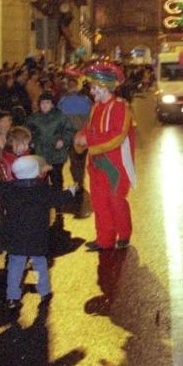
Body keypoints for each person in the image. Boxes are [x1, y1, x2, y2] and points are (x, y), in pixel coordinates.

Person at [0, 155, 76, 310]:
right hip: (37, 237)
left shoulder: (9, 189)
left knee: (15, 266)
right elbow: (59, 198)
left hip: (15, 238)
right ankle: (44, 291)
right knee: (40, 264)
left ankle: (12, 296)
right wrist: (71, 191)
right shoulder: (42, 190)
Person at [74, 62, 136, 252]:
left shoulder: (120, 107)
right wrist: (79, 137)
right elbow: (89, 128)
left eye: (94, 88)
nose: (92, 92)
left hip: (115, 165)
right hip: (96, 164)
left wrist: (88, 140)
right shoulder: (96, 107)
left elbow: (117, 135)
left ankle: (123, 234)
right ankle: (104, 239)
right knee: (99, 202)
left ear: (104, 86)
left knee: (116, 201)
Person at [27, 93, 76, 196]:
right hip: (40, 154)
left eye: (47, 103)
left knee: (57, 180)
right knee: (41, 181)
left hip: (56, 154)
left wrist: (63, 140)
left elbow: (70, 130)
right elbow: (26, 132)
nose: (45, 105)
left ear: (52, 104)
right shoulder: (34, 118)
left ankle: (58, 204)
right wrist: (31, 143)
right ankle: (45, 203)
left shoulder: (60, 116)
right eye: (42, 103)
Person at [57, 79, 93, 218]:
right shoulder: (86, 100)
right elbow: (91, 117)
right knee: (81, 160)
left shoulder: (63, 101)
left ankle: (77, 181)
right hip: (82, 137)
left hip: (69, 136)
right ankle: (80, 181)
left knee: (73, 160)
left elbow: (59, 118)